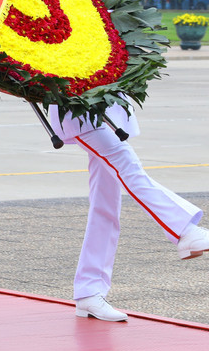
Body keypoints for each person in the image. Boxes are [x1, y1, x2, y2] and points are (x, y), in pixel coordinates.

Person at [48, 103, 209, 321]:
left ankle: (89, 290)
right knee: (127, 165)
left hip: (102, 109)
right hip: (79, 109)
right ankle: (184, 231)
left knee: (105, 203)